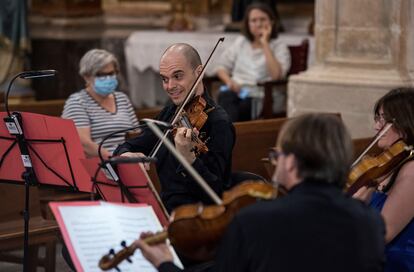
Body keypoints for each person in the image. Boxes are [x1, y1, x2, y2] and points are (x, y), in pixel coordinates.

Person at [134, 114, 385, 272]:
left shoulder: (255, 220)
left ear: (291, 162)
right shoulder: (370, 221)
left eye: (278, 155)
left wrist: (164, 263)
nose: (275, 163)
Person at [114, 43, 235, 213]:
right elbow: (133, 145)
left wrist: (189, 159)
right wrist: (126, 154)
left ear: (199, 73)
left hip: (200, 219)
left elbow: (215, 192)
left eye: (177, 76)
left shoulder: (218, 122)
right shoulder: (171, 112)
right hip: (166, 211)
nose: (169, 86)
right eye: (164, 79)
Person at [353, 87, 414, 271]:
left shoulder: (411, 170)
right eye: (377, 118)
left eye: (382, 119)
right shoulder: (387, 164)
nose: (376, 126)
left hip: (392, 263)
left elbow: (383, 232)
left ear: (405, 123)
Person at [216, 2, 291, 121]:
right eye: (254, 20)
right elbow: (221, 67)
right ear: (248, 24)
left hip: (262, 96)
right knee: (225, 96)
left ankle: (231, 136)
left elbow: (276, 75)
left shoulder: (279, 46)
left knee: (237, 106)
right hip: (238, 92)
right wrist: (229, 82)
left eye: (263, 19)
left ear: (271, 22)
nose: (259, 24)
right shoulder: (241, 42)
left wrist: (265, 43)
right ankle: (231, 135)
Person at [61, 49, 139, 159]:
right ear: (86, 76)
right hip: (102, 166)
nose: (108, 78)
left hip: (129, 159)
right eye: (101, 74)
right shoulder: (77, 102)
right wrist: (116, 159)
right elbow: (84, 145)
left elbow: (136, 133)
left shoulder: (122, 98)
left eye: (111, 73)